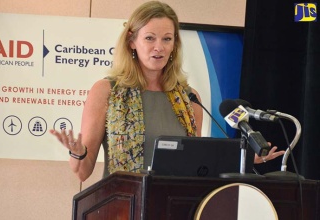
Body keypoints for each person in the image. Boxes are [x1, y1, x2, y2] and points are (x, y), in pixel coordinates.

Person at [50, 1, 284, 182]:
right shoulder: (107, 91)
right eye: (150, 38)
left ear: (174, 45)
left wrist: (241, 161)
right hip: (122, 206)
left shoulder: (189, 98)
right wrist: (78, 153)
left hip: (174, 206)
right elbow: (82, 172)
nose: (159, 47)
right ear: (132, 41)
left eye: (167, 39)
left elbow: (196, 165)